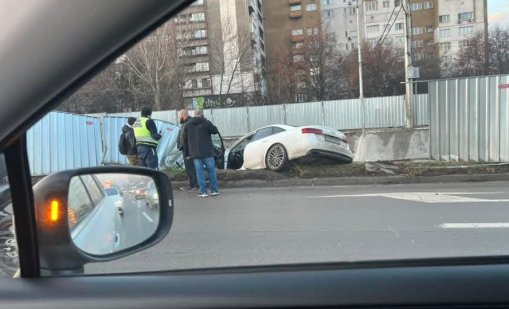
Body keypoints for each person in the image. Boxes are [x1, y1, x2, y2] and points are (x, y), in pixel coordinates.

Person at [182, 108, 220, 197]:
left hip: (195, 153)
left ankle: (203, 191)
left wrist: (187, 153)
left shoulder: (188, 124)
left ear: (194, 114)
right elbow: (215, 131)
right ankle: (214, 190)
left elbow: (184, 139)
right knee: (211, 171)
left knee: (199, 172)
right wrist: (206, 120)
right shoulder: (206, 122)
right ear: (202, 114)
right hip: (207, 152)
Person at [177, 109, 198, 192]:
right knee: (189, 168)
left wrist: (188, 152)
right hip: (186, 149)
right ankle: (191, 185)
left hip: (189, 150)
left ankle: (194, 185)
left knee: (191, 168)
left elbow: (189, 138)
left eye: (179, 116)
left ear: (183, 115)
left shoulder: (189, 123)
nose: (179, 118)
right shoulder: (186, 123)